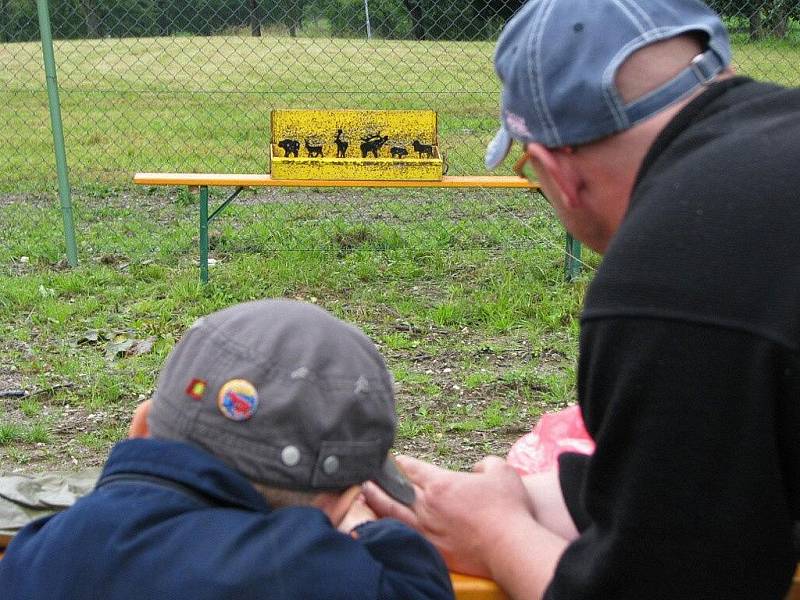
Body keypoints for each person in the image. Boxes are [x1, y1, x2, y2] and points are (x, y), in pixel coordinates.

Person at [363, 0, 800, 598]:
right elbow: (729, 472)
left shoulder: (669, 276)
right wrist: (519, 499)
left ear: (556, 171)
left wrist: (496, 532)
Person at [0, 300, 454, 600]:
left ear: (141, 426)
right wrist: (361, 525)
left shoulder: (38, 551)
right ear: (338, 499)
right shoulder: (306, 574)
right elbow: (418, 584)